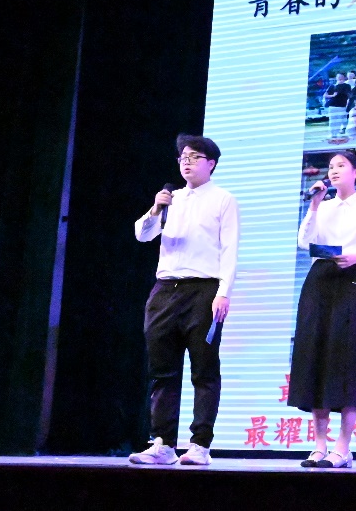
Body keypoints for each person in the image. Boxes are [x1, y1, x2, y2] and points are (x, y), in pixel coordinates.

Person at [129, 135, 239, 466]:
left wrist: (223, 292)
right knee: (162, 369)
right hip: (165, 289)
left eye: (194, 157)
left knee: (204, 369)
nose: (186, 162)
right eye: (182, 157)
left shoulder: (223, 199)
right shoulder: (171, 199)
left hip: (203, 289)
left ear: (211, 164)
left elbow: (230, 248)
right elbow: (143, 234)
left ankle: (200, 445)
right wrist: (156, 208)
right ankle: (163, 443)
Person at [289, 150, 356, 469]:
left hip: (351, 280)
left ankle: (343, 447)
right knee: (317, 358)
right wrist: (314, 205)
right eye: (331, 167)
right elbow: (304, 242)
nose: (333, 171)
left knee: (348, 361)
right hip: (320, 280)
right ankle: (319, 445)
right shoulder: (322, 206)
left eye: (341, 166)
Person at [323, 72, 351, 142]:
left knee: (340, 121)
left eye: (341, 77)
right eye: (338, 77)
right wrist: (333, 95)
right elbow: (325, 95)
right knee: (332, 121)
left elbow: (349, 94)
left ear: (344, 78)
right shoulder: (332, 86)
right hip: (332, 106)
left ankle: (339, 134)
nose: (340, 78)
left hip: (342, 106)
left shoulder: (347, 86)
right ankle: (333, 135)